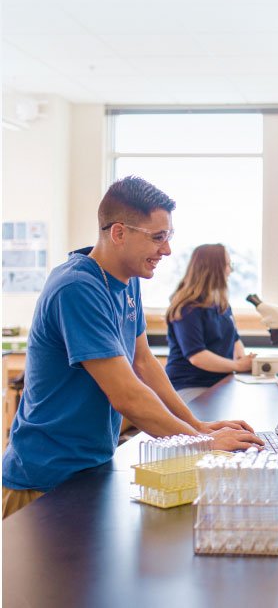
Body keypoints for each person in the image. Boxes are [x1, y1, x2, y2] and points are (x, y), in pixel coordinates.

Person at [2, 177, 263, 519]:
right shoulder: (77, 288)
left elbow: (144, 364)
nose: (167, 250)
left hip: (88, 468)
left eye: (168, 237)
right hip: (43, 480)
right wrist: (203, 444)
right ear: (119, 233)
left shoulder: (127, 282)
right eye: (158, 238)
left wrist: (197, 427)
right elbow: (127, 395)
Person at [165, 244, 255, 402]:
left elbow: (234, 339)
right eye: (228, 265)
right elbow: (197, 356)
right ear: (216, 269)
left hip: (219, 384)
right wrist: (239, 366)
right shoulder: (187, 308)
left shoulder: (221, 305)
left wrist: (243, 359)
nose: (230, 271)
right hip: (190, 386)